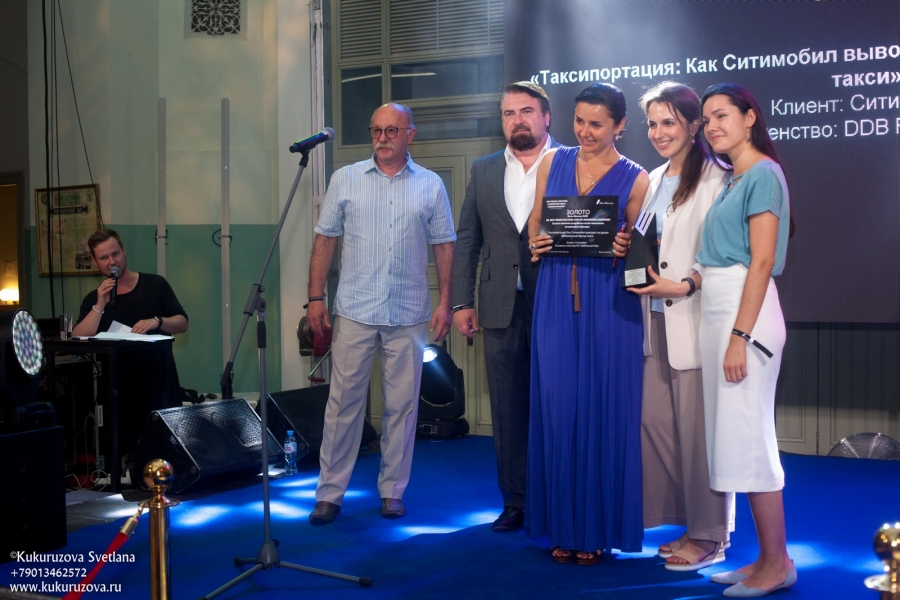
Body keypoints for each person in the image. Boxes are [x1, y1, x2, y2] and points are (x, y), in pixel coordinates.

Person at [306, 102, 456, 524]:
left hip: (408, 312)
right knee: (342, 407)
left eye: (392, 131)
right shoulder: (345, 178)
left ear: (410, 135)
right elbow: (325, 240)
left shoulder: (430, 185)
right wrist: (314, 296)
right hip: (355, 310)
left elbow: (445, 245)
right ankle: (329, 494)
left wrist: (446, 302)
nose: (383, 138)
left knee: (403, 409)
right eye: (376, 130)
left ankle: (393, 492)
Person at [613, 81, 734, 571]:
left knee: (699, 435)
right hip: (655, 320)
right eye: (652, 123)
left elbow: (728, 253)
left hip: (697, 316)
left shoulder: (719, 177)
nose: (659, 132)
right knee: (659, 423)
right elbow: (651, 243)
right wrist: (626, 246)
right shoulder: (654, 177)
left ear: (693, 125)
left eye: (669, 122)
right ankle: (688, 522)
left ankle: (711, 535)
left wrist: (684, 285)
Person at [527, 83, 649, 565]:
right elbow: (537, 224)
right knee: (558, 409)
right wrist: (537, 242)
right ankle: (561, 525)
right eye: (579, 121)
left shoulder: (637, 179)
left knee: (604, 411)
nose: (585, 131)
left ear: (620, 125)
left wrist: (626, 246)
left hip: (609, 303)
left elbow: (643, 253)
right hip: (555, 296)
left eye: (596, 124)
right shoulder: (551, 163)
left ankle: (597, 529)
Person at [692, 83, 795, 596]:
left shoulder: (763, 174)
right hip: (722, 310)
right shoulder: (734, 178)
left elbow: (761, 261)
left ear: (750, 117)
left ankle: (778, 563)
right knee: (737, 440)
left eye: (722, 115)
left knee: (752, 440)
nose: (712, 126)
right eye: (707, 118)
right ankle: (766, 559)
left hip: (744, 316)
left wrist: (739, 335)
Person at [450, 81, 557, 532]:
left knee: (557, 406)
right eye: (509, 113)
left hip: (557, 305)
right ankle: (516, 501)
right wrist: (460, 302)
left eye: (526, 111)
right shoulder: (485, 169)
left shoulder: (570, 162)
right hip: (497, 307)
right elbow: (467, 240)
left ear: (546, 116)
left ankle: (558, 498)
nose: (518, 120)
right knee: (508, 411)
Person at [73, 229, 189, 337]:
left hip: (154, 353)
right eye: (104, 258)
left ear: (123, 250)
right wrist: (99, 306)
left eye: (115, 254)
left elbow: (183, 324)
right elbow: (77, 336)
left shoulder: (155, 283)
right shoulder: (94, 298)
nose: (112, 262)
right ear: (95, 261)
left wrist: (157, 321)